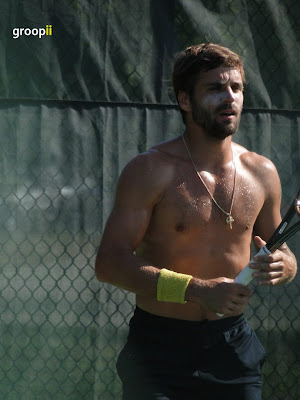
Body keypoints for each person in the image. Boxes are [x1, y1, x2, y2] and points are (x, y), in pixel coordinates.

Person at [95, 43, 297, 400]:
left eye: (236, 88)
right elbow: (110, 263)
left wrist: (286, 266)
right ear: (185, 100)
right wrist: (195, 290)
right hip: (159, 352)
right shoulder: (150, 170)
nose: (230, 97)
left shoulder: (262, 172)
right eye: (215, 88)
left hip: (233, 348)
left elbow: (281, 250)